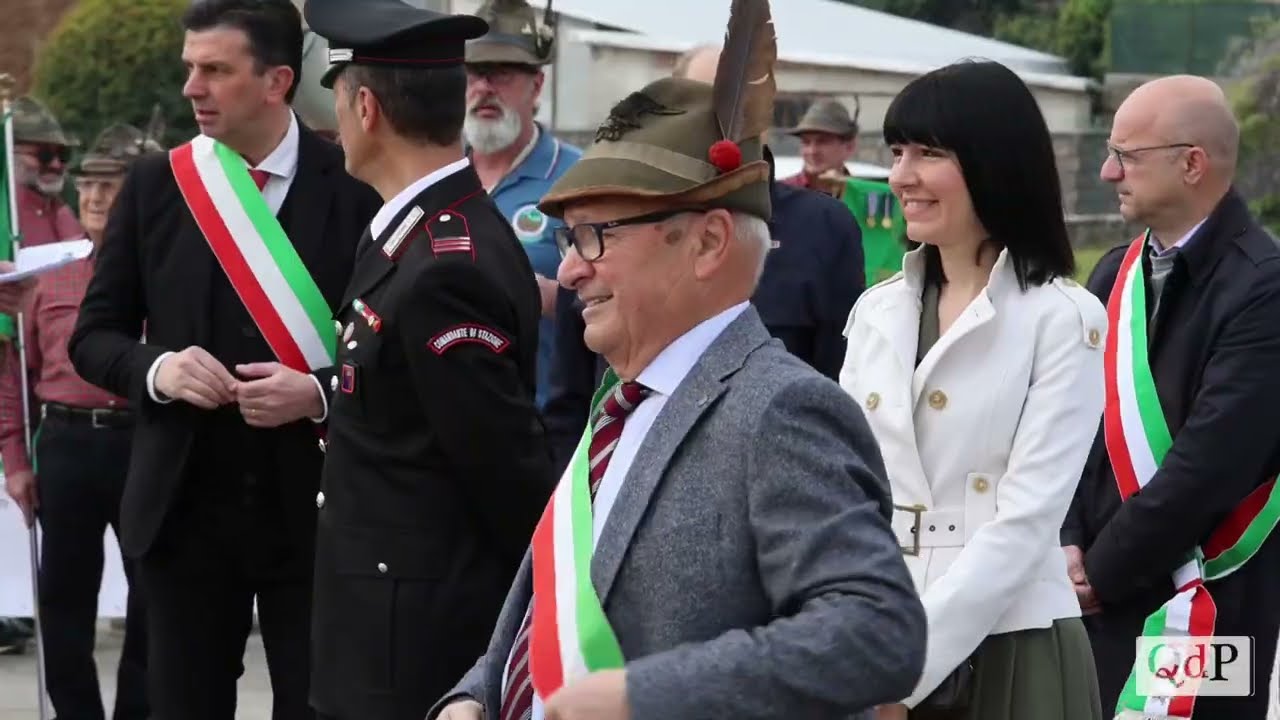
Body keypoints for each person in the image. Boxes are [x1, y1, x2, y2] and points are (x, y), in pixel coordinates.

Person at [430, 2, 925, 718]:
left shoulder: (782, 410)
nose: (569, 271)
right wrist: (474, 696)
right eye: (569, 239)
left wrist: (643, 696)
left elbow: (877, 632)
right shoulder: (621, 402)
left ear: (708, 243)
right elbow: (550, 609)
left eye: (596, 236)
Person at [68, 1, 382, 717]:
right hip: (184, 509)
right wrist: (159, 370)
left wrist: (319, 391)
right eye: (189, 68)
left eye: (214, 70)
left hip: (319, 509)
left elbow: (391, 351)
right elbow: (94, 336)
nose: (192, 88)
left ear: (276, 81)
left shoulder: (355, 185)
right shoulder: (157, 184)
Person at [300, 1, 556, 718]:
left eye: (339, 99)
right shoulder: (413, 232)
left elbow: (502, 468)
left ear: (367, 108)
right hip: (380, 623)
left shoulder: (445, 264)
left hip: (413, 646)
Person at [839, 59, 1105, 720]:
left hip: (1010, 646)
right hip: (875, 632)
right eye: (897, 152)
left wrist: (905, 670)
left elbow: (1026, 520)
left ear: (994, 163)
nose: (901, 176)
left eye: (928, 154)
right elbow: (844, 487)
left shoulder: (1063, 319)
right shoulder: (876, 311)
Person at [540, 43, 865, 472]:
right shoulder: (606, 236)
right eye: (697, 104)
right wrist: (581, 500)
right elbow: (570, 401)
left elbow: (841, 378)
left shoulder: (821, 226)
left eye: (738, 104)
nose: (720, 123)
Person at [1065, 74, 1280, 720]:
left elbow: (1210, 466)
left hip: (1211, 601)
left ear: (1192, 164)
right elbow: (1074, 425)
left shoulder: (1263, 288)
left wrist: (1099, 574)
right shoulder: (1115, 272)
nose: (1107, 172)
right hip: (1098, 601)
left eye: (1126, 155)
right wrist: (1067, 541)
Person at [0, 124, 158, 720]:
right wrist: (17, 462)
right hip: (65, 443)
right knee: (63, 600)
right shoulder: (50, 273)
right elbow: (16, 376)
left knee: (151, 595)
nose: (93, 197)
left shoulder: (164, 271)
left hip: (142, 440)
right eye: (87, 185)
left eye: (109, 186)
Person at [464, 0, 581, 409]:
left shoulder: (579, 180)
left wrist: (550, 299)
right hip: (451, 418)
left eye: (502, 73)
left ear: (537, 85)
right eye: (474, 72)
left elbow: (623, 301)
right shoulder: (438, 174)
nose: (484, 87)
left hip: (545, 417)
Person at [778, 98, 858, 191]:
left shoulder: (863, 195)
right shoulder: (780, 193)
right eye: (806, 142)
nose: (812, 151)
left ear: (849, 147)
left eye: (822, 141)